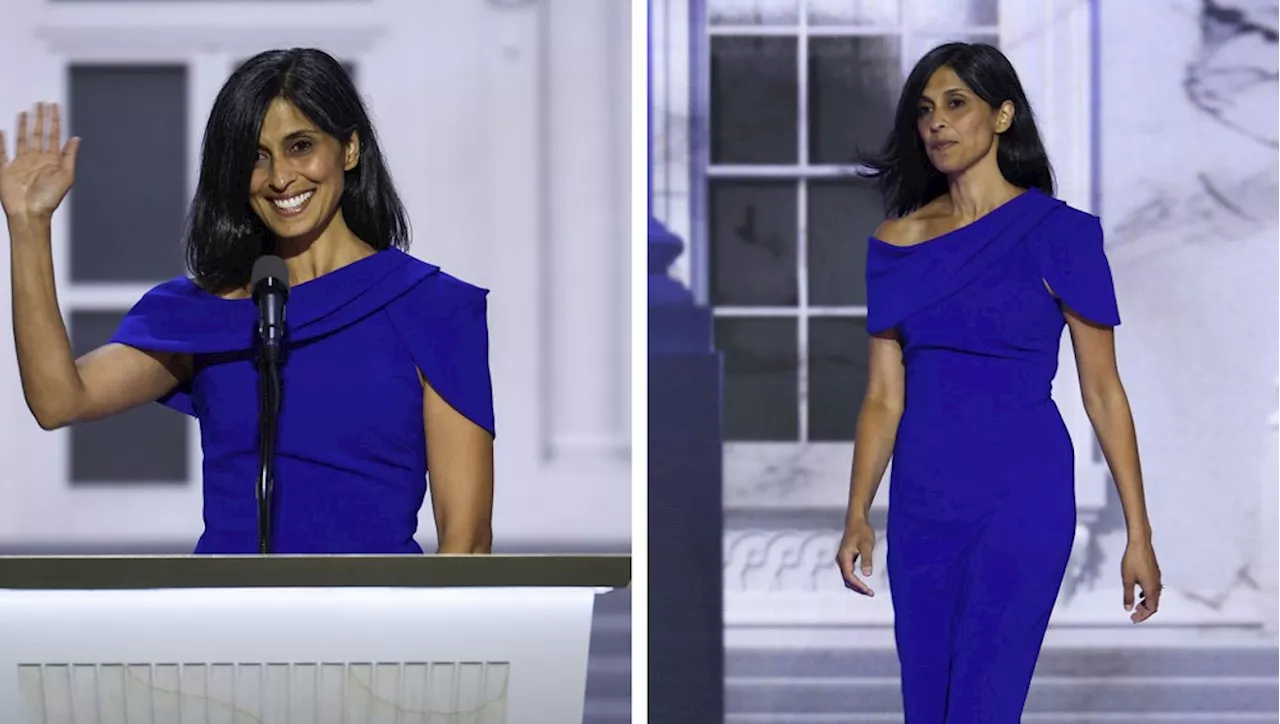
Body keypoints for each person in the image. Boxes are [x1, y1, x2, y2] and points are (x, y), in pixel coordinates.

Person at [0, 48, 496, 555]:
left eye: (300, 146)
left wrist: (417, 633)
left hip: (378, 624)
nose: (280, 177)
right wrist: (28, 225)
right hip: (222, 624)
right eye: (256, 157)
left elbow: (467, 540)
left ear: (349, 149)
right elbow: (59, 399)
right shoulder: (205, 311)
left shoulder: (433, 308)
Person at [832, 43, 1163, 720]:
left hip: (1023, 500)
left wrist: (1139, 534)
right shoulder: (894, 244)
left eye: (957, 104)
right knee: (928, 707)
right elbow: (882, 397)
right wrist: (857, 513)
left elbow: (1103, 392)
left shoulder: (1061, 235)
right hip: (924, 505)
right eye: (926, 110)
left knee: (984, 706)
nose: (938, 123)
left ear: (1003, 115)